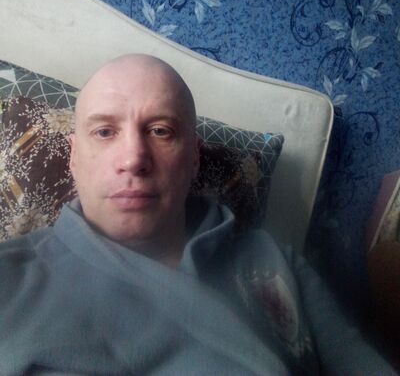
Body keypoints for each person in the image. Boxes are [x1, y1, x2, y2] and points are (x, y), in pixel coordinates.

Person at [0, 54, 396, 375]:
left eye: (160, 131)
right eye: (104, 132)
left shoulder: (276, 264)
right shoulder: (10, 279)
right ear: (73, 157)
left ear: (194, 158)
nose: (133, 158)